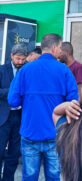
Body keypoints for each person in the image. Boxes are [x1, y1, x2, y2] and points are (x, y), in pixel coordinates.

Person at [8, 34, 78, 181]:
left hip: (30, 133)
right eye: (60, 47)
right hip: (56, 134)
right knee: (54, 177)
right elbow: (73, 103)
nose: (60, 51)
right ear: (53, 48)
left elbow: (13, 101)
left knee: (29, 177)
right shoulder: (65, 71)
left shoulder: (25, 70)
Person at [0, 44, 27, 181]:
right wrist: (13, 91)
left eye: (23, 59)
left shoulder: (27, 70)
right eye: (18, 59)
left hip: (20, 116)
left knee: (14, 153)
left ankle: (8, 179)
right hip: (3, 117)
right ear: (11, 56)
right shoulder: (2, 70)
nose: (20, 62)